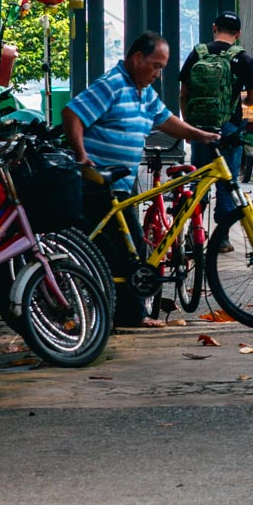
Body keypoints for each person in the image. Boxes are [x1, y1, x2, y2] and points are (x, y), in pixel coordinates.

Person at [63, 32, 219, 325]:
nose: (158, 74)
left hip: (121, 184)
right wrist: (82, 154)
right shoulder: (111, 85)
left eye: (162, 67)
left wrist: (201, 136)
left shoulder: (143, 91)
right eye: (155, 66)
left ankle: (127, 315)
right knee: (127, 251)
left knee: (127, 250)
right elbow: (72, 113)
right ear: (136, 59)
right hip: (97, 185)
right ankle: (129, 316)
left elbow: (166, 120)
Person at [179, 11, 253, 250]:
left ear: (215, 28)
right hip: (228, 128)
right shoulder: (243, 58)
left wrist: (189, 124)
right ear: (238, 33)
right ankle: (222, 239)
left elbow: (184, 93)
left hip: (199, 128)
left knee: (199, 181)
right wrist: (234, 99)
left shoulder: (198, 53)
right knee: (226, 182)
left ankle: (192, 237)